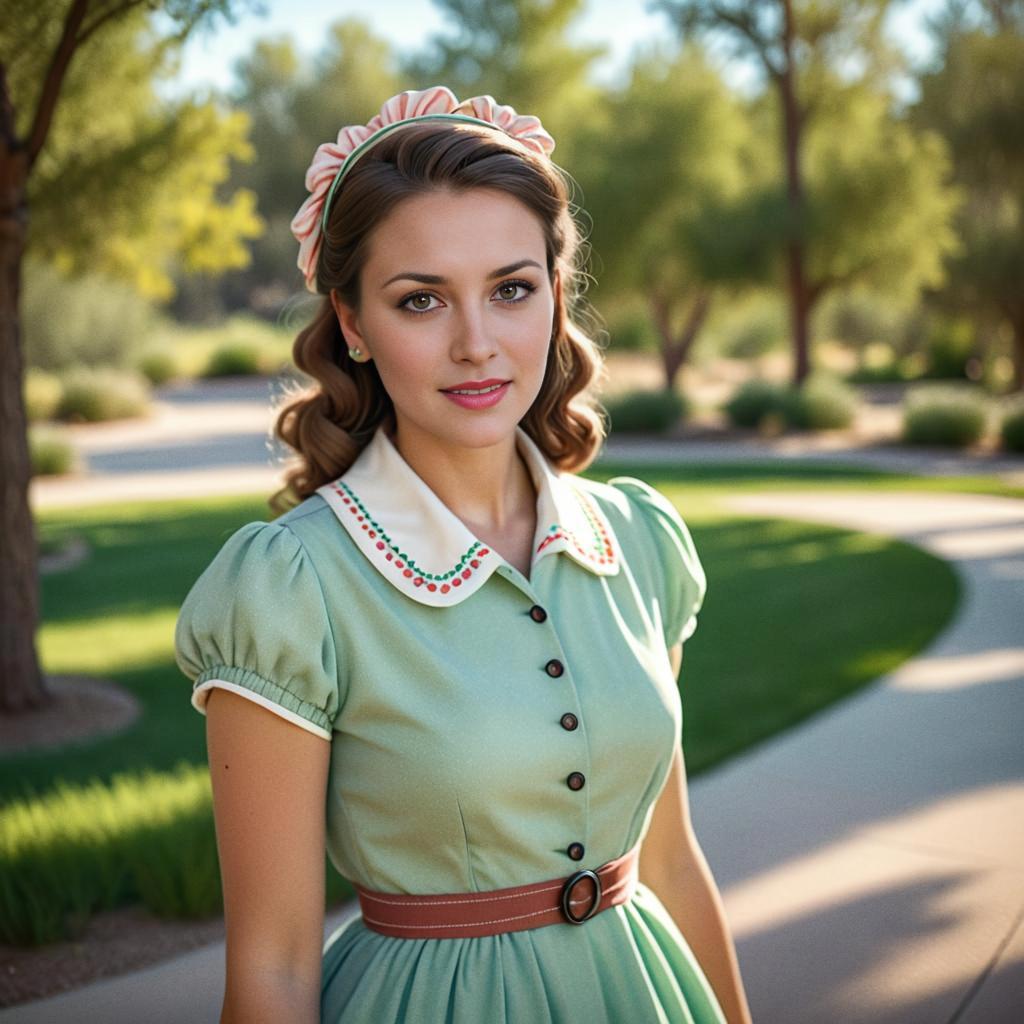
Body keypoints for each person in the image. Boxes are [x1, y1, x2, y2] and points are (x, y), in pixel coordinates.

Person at [174, 85, 753, 1024]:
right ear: (354, 326)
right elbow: (274, 966)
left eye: (512, 289)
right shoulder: (291, 588)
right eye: (421, 301)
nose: (478, 344)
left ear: (556, 298)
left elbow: (676, 862)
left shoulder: (637, 540)